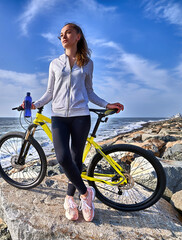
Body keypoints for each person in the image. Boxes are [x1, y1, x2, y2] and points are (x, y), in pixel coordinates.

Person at [27, 23, 124, 221]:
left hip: (81, 116)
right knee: (63, 158)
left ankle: (69, 198)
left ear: (78, 36)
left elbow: (89, 91)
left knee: (76, 159)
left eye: (68, 32)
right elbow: (50, 92)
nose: (63, 36)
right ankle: (86, 194)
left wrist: (107, 104)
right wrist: (35, 105)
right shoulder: (55, 63)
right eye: (61, 34)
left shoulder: (87, 63)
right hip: (59, 117)